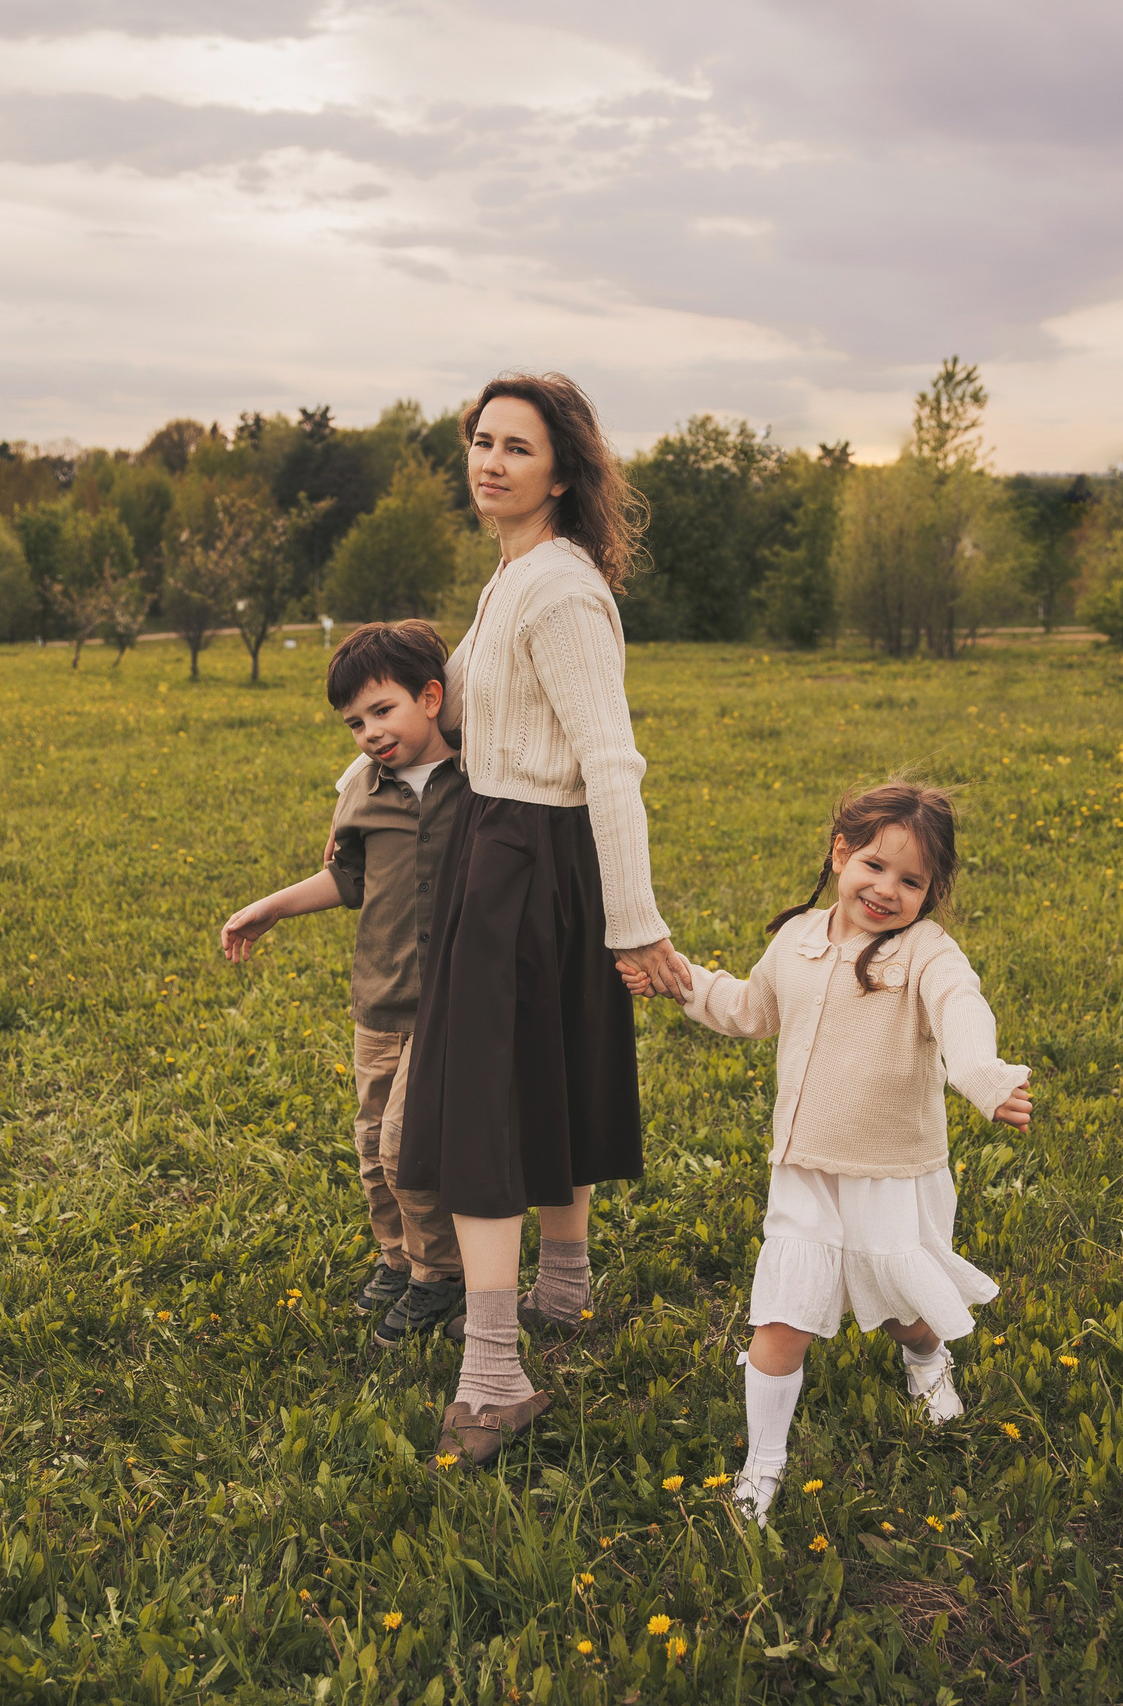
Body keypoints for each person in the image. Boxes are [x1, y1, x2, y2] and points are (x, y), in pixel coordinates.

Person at [394, 372, 694, 1469]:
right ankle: (559, 1294)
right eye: (480, 441)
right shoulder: (514, 576)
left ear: (561, 472)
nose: (489, 461)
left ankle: (492, 1373)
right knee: (548, 1071)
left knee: (484, 1103)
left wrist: (634, 924)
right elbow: (469, 715)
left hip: (531, 854)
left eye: (516, 447)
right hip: (508, 843)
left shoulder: (559, 591)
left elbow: (610, 760)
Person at [619, 782, 1032, 1526]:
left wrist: (983, 1076)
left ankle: (924, 1357)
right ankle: (763, 1466)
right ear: (841, 853)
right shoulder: (798, 939)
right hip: (804, 1172)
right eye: (875, 866)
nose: (887, 890)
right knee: (782, 1318)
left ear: (932, 892)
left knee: (906, 1308)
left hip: (890, 1176)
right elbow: (749, 1009)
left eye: (911, 882)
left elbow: (962, 1009)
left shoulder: (926, 952)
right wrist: (678, 983)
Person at [219, 620, 469, 1348]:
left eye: (382, 711)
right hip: (379, 999)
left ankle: (439, 1276)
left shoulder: (481, 780)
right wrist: (267, 909)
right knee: (369, 1148)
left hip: (447, 1005)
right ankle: (396, 1260)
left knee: (407, 1148)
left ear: (431, 697)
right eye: (354, 722)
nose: (369, 732)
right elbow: (348, 878)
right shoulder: (362, 792)